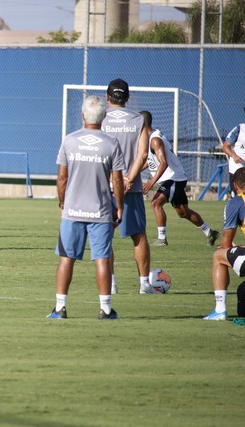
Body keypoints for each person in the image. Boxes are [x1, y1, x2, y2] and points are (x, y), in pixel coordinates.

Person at [48, 95, 125, 320]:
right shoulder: (111, 143)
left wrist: (62, 201)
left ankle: (60, 308)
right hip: (100, 211)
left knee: (66, 258)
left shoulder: (69, 140)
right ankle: (106, 310)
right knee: (101, 259)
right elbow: (117, 180)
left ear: (83, 115)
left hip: (72, 211)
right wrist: (118, 206)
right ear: (104, 117)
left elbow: (62, 177)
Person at [102, 78, 152, 295]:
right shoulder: (138, 120)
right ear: (128, 98)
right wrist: (129, 179)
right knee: (138, 235)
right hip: (130, 188)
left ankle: (111, 284)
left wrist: (115, 181)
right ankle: (144, 284)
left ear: (107, 97)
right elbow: (143, 154)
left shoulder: (99, 118)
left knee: (104, 235)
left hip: (103, 186)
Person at [140, 110, 220, 247]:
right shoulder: (149, 139)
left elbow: (163, 162)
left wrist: (150, 183)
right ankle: (210, 232)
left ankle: (162, 239)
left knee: (155, 203)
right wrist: (135, 172)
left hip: (174, 178)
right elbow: (151, 159)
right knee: (183, 212)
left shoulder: (154, 140)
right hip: (173, 178)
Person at [204, 167, 245, 320]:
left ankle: (220, 310)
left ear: (235, 186)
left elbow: (226, 243)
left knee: (218, 256)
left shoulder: (237, 202)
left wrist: (231, 247)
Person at [221, 111, 245, 198]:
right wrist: (234, 156)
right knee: (237, 200)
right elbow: (225, 147)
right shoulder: (240, 129)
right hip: (237, 170)